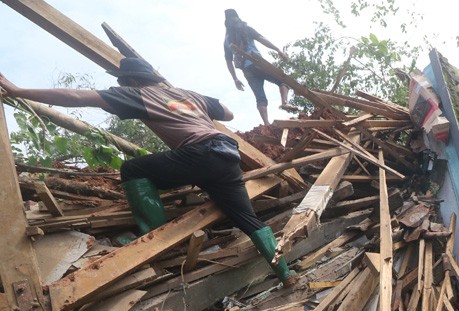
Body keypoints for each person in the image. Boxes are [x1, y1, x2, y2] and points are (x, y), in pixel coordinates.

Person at [0, 57, 296, 285]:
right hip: (226, 154)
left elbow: (79, 98)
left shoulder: (136, 95)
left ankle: (151, 234)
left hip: (200, 152)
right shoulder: (186, 94)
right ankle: (285, 273)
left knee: (132, 168)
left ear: (129, 80)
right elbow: (228, 113)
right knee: (247, 219)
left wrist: (18, 90)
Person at [224, 8, 296, 125]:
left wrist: (235, 79)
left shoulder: (226, 40)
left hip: (247, 70)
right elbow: (262, 39)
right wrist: (277, 49)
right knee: (282, 80)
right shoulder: (246, 28)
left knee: (260, 97)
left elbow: (228, 61)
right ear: (238, 18)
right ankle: (285, 102)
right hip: (257, 62)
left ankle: (266, 124)